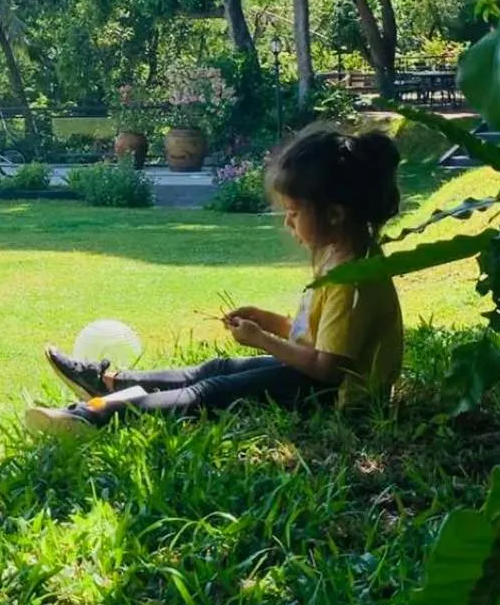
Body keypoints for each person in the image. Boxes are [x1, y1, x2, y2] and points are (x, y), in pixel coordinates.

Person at [25, 125, 405, 435]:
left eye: (293, 212)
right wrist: (269, 323)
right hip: (312, 379)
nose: (287, 221)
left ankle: (90, 417)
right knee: (215, 368)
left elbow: (328, 368)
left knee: (211, 391)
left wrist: (262, 341)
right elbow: (321, 339)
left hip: (332, 395)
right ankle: (111, 383)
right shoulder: (339, 258)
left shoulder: (352, 279)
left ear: (336, 214)